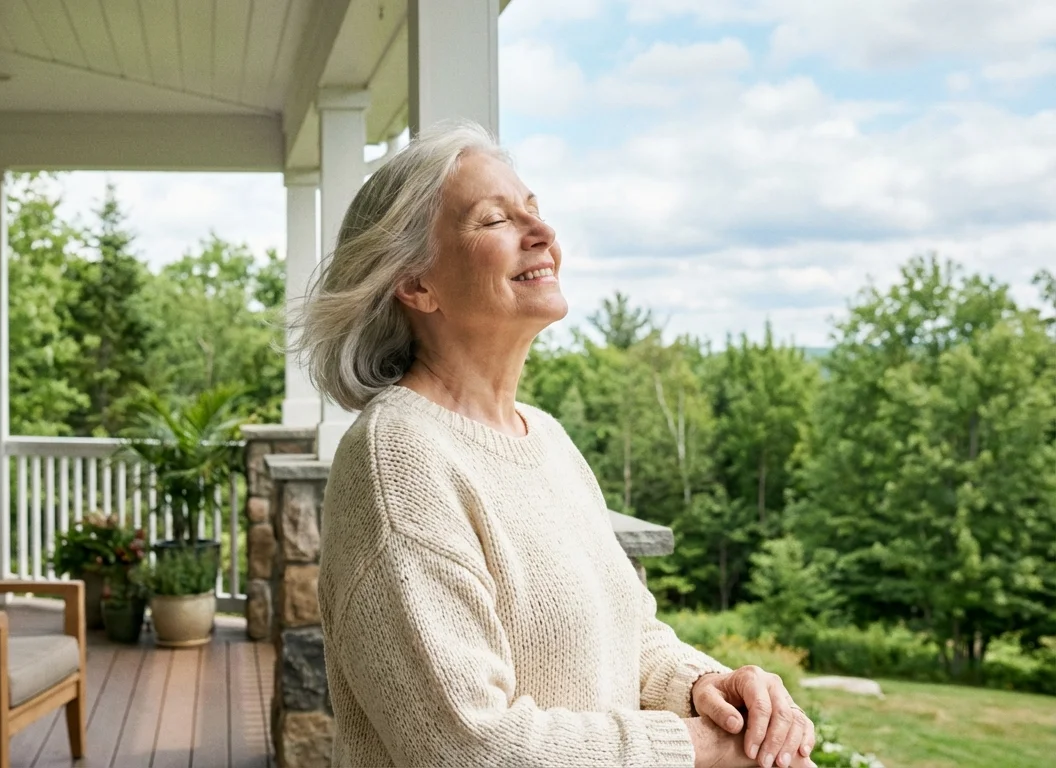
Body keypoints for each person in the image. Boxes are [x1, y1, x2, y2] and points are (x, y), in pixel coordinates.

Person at [293, 122, 816, 768]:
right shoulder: (396, 459)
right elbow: (466, 746)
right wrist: (698, 746)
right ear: (416, 284)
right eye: (495, 220)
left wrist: (709, 687)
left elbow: (630, 635)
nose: (542, 233)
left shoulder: (549, 440)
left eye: (534, 210)